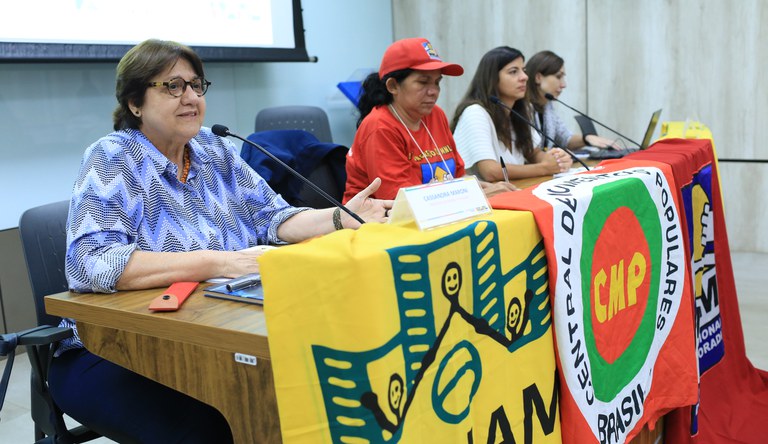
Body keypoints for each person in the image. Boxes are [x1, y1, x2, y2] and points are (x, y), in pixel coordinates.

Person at [50, 39, 392, 444]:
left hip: (214, 334)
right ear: (135, 103)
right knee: (222, 425)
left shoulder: (215, 150)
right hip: (110, 349)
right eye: (172, 86)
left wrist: (340, 217)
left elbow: (273, 218)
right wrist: (220, 263)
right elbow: (92, 263)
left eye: (197, 85)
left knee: (315, 388)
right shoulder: (113, 158)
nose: (191, 97)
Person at [343, 37, 517, 202]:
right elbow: (402, 203)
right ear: (393, 86)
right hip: (378, 224)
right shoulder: (379, 127)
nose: (434, 91)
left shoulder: (435, 115)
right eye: (423, 82)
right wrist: (481, 195)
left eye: (437, 82)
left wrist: (482, 187)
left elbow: (457, 176)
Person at [451, 46, 573, 181]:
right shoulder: (475, 113)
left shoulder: (520, 111)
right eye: (514, 72)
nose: (525, 77)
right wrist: (545, 168)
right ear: (492, 78)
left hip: (513, 194)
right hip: (485, 199)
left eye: (524, 71)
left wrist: (557, 158)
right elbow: (490, 171)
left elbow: (535, 154)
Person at [525, 50, 617, 150]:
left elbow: (564, 138)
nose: (563, 85)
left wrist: (587, 138)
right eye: (558, 77)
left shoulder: (547, 105)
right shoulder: (522, 108)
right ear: (538, 78)